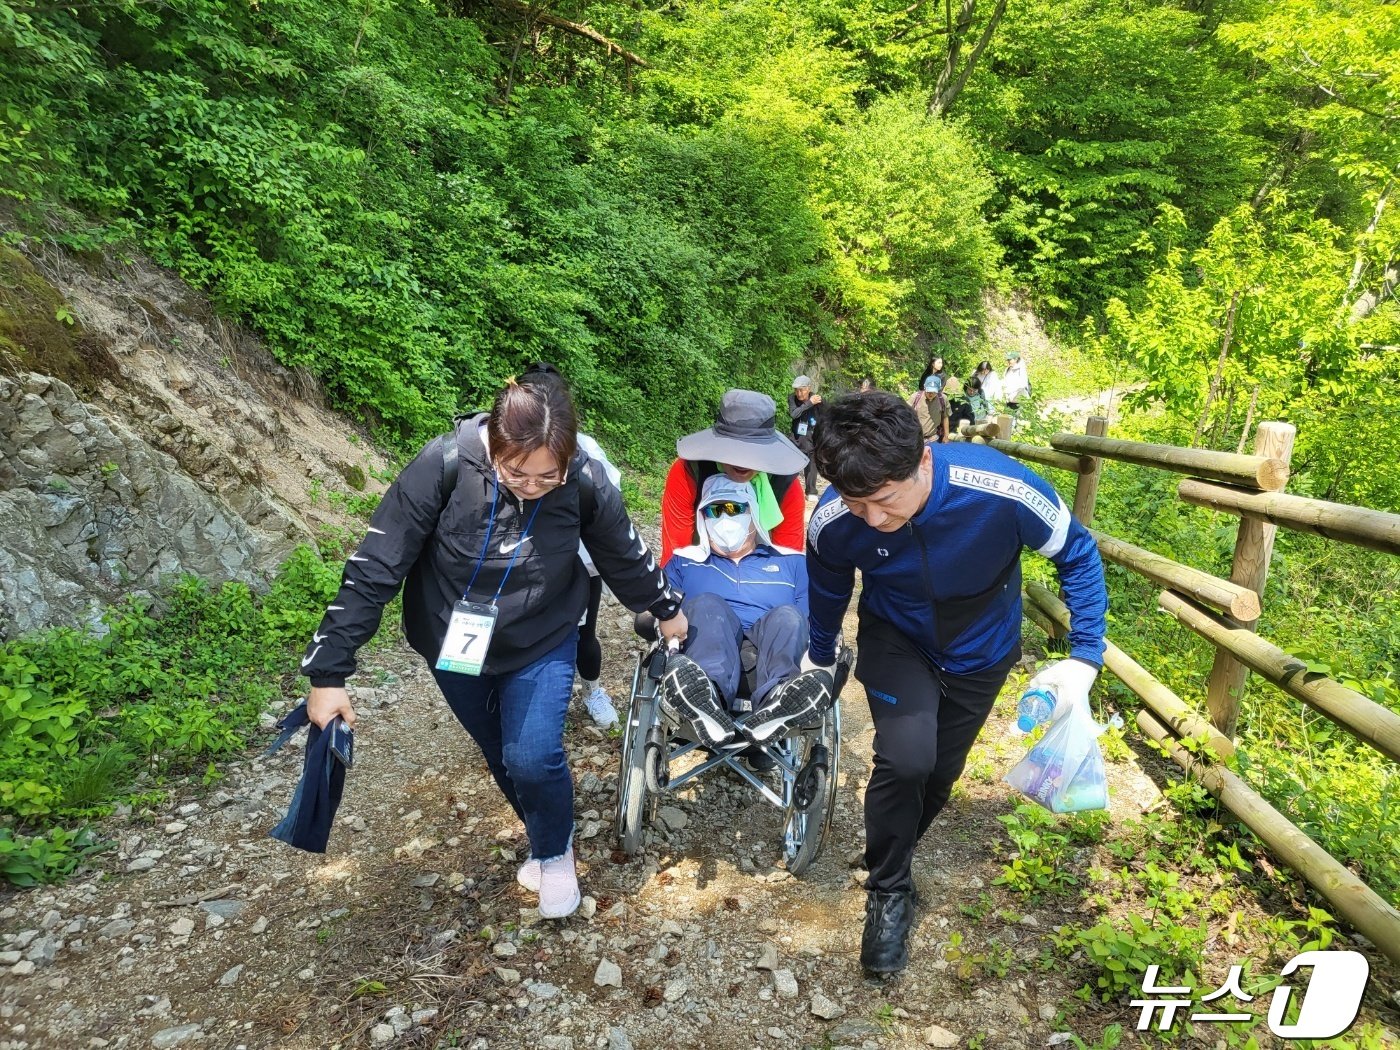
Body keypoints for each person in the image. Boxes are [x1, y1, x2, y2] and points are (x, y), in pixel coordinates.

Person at [299, 378, 690, 919]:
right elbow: (376, 566)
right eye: (516, 473)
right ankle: (544, 830)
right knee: (499, 750)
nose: (532, 486)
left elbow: (624, 554)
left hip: (543, 635)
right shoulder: (443, 466)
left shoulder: (585, 481)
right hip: (453, 641)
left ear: (569, 457)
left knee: (532, 754)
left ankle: (555, 852)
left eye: (547, 476)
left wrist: (666, 609)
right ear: (494, 449)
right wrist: (328, 673)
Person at [804, 392, 1107, 975]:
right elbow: (829, 586)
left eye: (885, 502)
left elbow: (1078, 553)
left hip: (982, 644)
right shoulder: (836, 520)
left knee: (941, 773)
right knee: (907, 760)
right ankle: (889, 892)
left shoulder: (1002, 489)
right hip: (897, 635)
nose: (871, 519)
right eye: (855, 502)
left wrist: (1085, 656)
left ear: (922, 461)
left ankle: (892, 845)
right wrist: (820, 656)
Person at [661, 475, 834, 768]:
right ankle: (707, 702)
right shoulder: (683, 562)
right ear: (703, 517)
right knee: (707, 604)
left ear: (753, 515)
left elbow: (812, 621)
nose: (724, 517)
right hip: (704, 658)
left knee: (788, 616)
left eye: (733, 508)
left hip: (769, 659)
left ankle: (778, 706)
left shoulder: (793, 564)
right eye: (715, 510)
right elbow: (661, 614)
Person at [517, 363, 620, 729]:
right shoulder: (499, 446)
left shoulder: (586, 449)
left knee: (582, 630)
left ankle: (592, 689)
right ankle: (524, 703)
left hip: (579, 562)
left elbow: (610, 505)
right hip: (520, 561)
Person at [660, 390, 809, 564]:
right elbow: (675, 555)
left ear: (767, 450)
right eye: (734, 450)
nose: (743, 462)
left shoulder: (784, 483)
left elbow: (787, 561)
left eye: (754, 451)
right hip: (697, 571)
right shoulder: (688, 471)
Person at [788, 376, 823, 498]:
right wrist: (809, 403)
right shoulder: (792, 398)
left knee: (811, 465)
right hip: (796, 437)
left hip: (811, 437)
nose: (798, 393)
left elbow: (825, 418)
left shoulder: (818, 400)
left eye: (801, 390)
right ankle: (788, 489)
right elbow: (794, 414)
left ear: (808, 389)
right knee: (791, 464)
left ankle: (811, 491)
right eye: (796, 390)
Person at [913, 375, 950, 443]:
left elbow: (945, 417)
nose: (931, 394)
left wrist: (946, 435)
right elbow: (905, 415)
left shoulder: (943, 399)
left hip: (933, 438)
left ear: (939, 390)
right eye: (929, 391)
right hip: (916, 438)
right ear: (925, 387)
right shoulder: (915, 397)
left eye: (934, 392)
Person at [1003, 351, 1031, 416]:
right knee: (1005, 419)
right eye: (1008, 359)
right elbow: (1005, 382)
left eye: (1010, 359)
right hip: (1009, 400)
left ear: (1016, 359)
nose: (1008, 361)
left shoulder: (1021, 369)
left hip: (1018, 400)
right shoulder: (1007, 369)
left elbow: (1023, 384)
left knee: (1014, 421)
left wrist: (1014, 394)